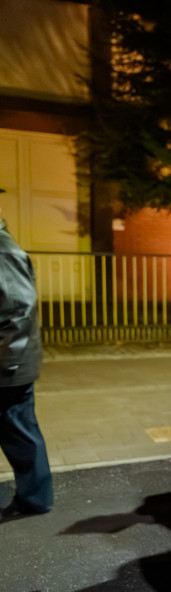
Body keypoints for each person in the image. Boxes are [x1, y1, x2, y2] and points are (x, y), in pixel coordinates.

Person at [0, 190, 53, 522]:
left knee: (19, 431)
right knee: (18, 430)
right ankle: (35, 497)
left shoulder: (2, 249)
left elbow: (19, 309)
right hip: (9, 361)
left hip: (8, 364)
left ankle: (35, 498)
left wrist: (8, 361)